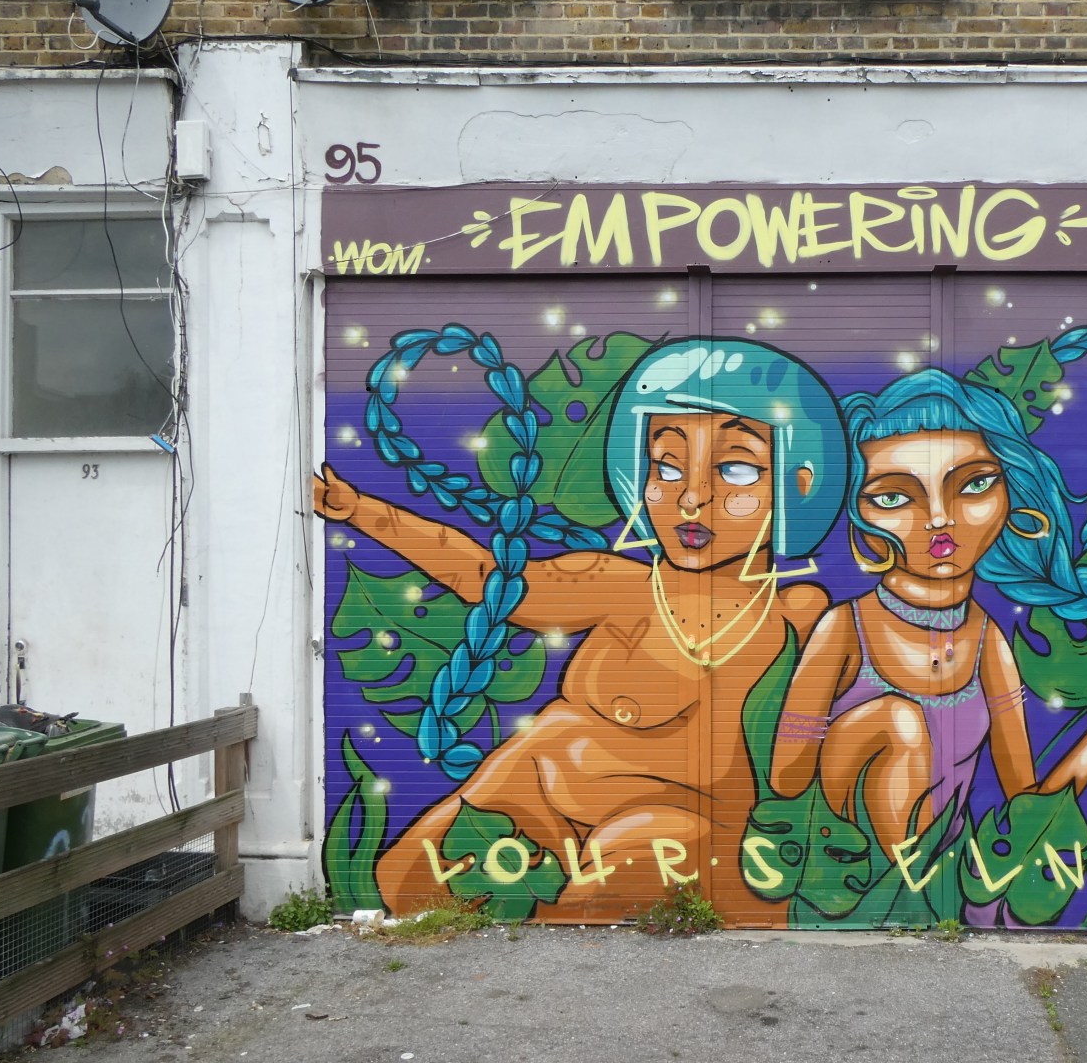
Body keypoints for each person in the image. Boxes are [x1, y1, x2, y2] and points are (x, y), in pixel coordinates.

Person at [315, 339, 848, 915]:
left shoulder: (794, 612)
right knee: (404, 881)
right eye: (667, 467)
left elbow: (793, 760)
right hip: (529, 787)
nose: (692, 498)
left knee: (594, 897)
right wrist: (360, 510)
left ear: (799, 482)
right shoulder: (616, 582)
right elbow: (483, 576)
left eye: (736, 469)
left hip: (676, 820)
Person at [769, 369, 1087, 853]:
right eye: (893, 497)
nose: (939, 518)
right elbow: (786, 782)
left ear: (1010, 493)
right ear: (859, 514)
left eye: (973, 484)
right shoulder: (844, 628)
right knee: (898, 719)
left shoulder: (987, 643)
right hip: (842, 868)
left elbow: (1026, 804)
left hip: (945, 874)